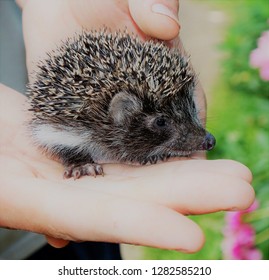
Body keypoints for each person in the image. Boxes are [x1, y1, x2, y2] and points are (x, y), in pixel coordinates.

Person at [0, 0, 254, 257]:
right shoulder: (71, 125)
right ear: (122, 114)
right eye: (161, 123)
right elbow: (50, 134)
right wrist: (78, 161)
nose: (203, 137)